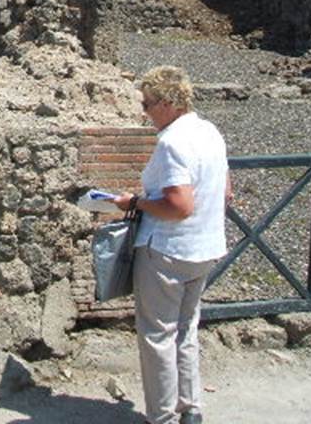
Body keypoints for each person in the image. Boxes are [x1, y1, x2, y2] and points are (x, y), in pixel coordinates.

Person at [112, 66, 230, 424]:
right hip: (206, 248)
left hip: (168, 251)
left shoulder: (172, 142)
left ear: (167, 103)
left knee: (157, 336)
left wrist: (135, 202)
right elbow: (226, 191)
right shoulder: (210, 131)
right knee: (186, 329)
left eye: (147, 104)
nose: (145, 112)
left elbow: (179, 205)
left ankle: (161, 416)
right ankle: (190, 410)